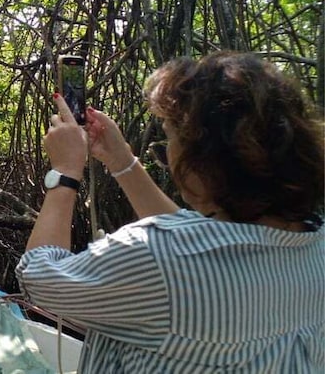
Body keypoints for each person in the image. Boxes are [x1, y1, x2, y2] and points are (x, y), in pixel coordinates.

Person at [16, 51, 324, 372]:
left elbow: (38, 278)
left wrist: (65, 172)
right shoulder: (315, 245)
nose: (170, 154)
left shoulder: (157, 256)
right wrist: (122, 161)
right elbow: (191, 239)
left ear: (205, 157)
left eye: (169, 140)